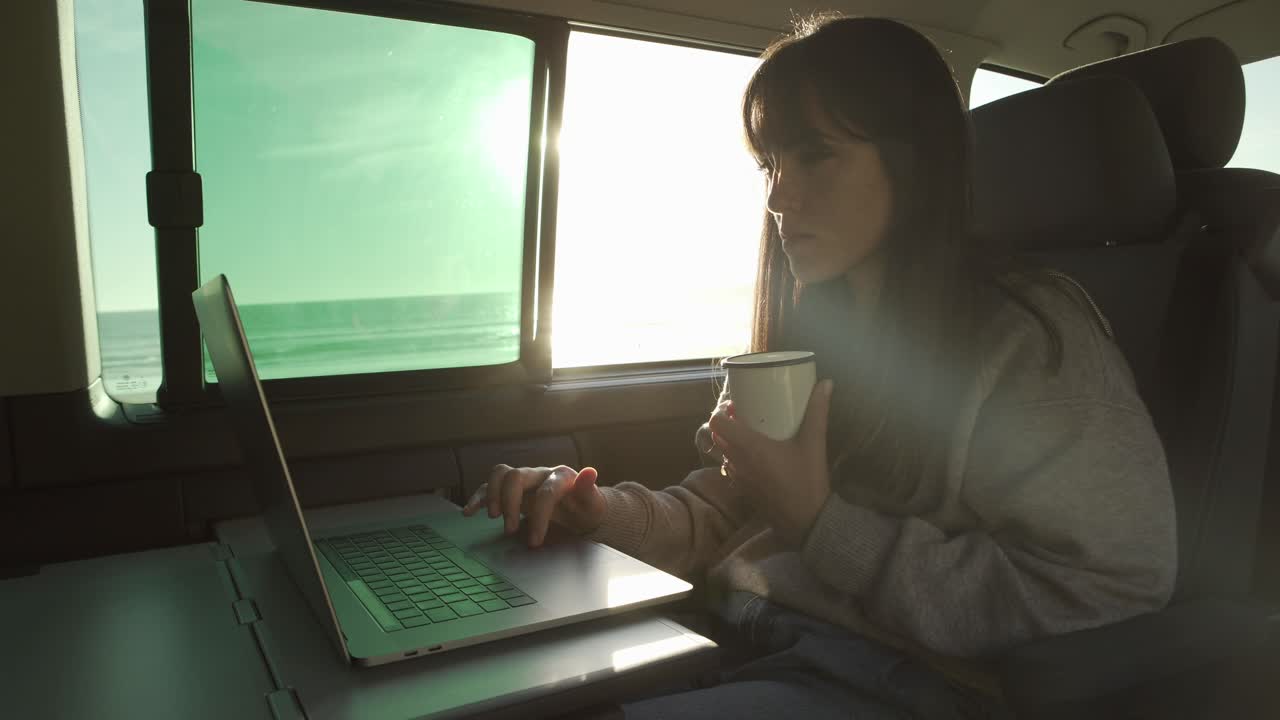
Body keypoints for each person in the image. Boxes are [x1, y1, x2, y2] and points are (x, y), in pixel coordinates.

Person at [462, 14, 1177, 719]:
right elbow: (726, 516)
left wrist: (821, 521)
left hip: (899, 681)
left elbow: (1104, 588)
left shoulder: (1029, 339)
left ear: (914, 161)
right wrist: (601, 513)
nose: (776, 197)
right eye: (770, 164)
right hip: (733, 637)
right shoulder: (814, 334)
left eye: (815, 155)